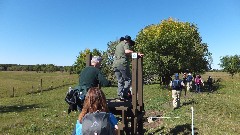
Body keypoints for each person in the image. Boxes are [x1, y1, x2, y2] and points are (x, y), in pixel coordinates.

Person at [112, 35, 143, 100]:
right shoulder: (126, 43)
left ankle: (119, 95)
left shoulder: (118, 45)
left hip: (115, 64)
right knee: (128, 79)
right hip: (122, 63)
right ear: (128, 40)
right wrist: (136, 53)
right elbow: (126, 51)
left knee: (120, 80)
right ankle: (125, 94)